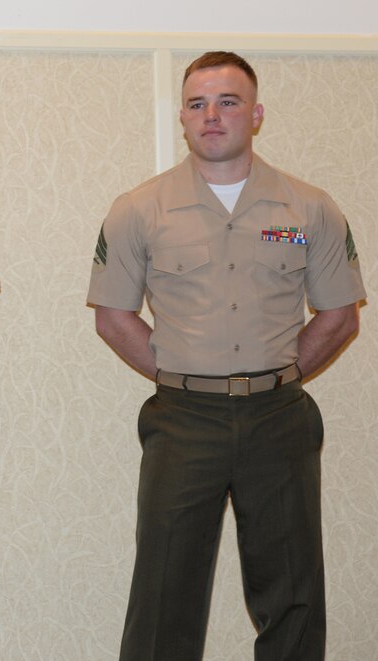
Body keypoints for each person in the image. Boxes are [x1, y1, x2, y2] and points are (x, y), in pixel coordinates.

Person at [88, 51, 365, 659]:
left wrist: (287, 372)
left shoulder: (309, 208)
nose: (211, 115)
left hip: (279, 419)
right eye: (197, 104)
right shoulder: (138, 208)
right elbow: (113, 317)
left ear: (256, 114)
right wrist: (178, 377)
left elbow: (340, 314)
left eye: (228, 101)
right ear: (183, 119)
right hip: (183, 420)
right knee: (165, 591)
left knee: (292, 591)